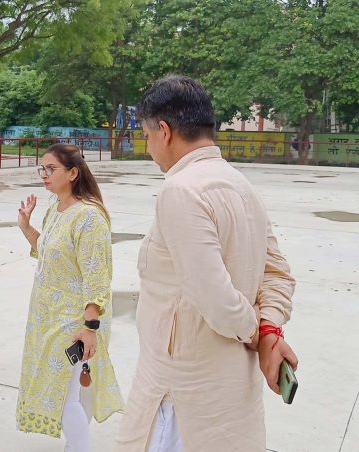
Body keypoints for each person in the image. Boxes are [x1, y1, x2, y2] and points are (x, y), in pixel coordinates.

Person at [114, 75, 298, 452]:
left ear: (164, 131)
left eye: (146, 136)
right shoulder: (240, 184)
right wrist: (270, 328)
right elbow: (278, 274)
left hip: (183, 398)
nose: (149, 149)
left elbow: (216, 300)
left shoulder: (180, 191)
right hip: (227, 392)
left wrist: (258, 334)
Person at [16, 144, 123, 451]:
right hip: (47, 316)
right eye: (43, 169)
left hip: (74, 321)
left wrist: (90, 328)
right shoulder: (56, 209)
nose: (44, 175)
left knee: (64, 393)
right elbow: (49, 255)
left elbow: (97, 277)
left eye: (51, 169)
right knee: (77, 390)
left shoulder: (89, 218)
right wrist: (26, 227)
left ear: (73, 173)